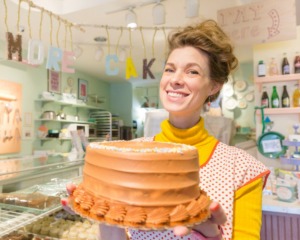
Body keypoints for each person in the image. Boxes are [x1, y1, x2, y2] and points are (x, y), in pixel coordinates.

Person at [63, 19, 270, 240]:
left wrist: (211, 236)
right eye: (170, 69)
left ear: (214, 86)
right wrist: (103, 215)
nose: (176, 80)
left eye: (192, 72)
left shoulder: (242, 169)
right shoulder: (128, 157)